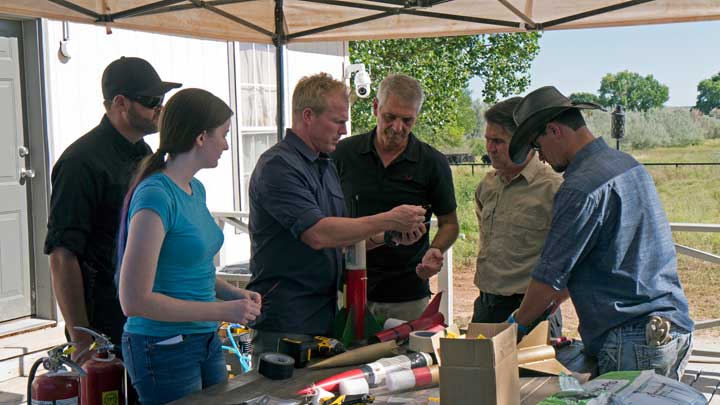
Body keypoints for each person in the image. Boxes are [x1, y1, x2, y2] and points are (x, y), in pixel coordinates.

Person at [507, 86, 694, 379]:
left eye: (537, 146)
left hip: (631, 338)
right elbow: (614, 252)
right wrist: (561, 295)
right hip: (670, 329)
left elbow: (548, 276)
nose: (541, 159)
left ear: (554, 130)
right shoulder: (628, 165)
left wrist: (515, 326)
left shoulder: (581, 186)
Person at [247, 73, 426, 353]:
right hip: (287, 323)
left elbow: (339, 239)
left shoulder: (325, 164)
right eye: (338, 121)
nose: (344, 131)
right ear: (308, 116)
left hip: (326, 316)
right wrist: (390, 218)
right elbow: (318, 234)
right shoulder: (277, 167)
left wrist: (387, 236)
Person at [117, 88, 261, 404]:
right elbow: (134, 300)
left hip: (204, 338)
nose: (226, 145)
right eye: (223, 135)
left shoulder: (196, 188)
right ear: (200, 137)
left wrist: (233, 294)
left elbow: (190, 270)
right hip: (163, 345)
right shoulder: (156, 196)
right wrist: (224, 310)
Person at [44, 56, 180, 363]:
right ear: (121, 103)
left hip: (147, 312)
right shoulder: (80, 163)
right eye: (151, 100)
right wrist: (81, 339)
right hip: (104, 321)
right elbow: (62, 256)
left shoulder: (144, 153)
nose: (160, 108)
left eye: (162, 99)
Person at [332, 74, 459, 321]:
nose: (397, 128)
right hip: (350, 288)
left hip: (408, 295)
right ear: (375, 108)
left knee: (407, 360)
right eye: (390, 117)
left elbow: (450, 223)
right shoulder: (343, 154)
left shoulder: (432, 162)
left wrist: (435, 249)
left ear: (417, 117)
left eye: (407, 120)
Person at [472, 97, 563, 337]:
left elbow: (573, 259)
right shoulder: (487, 185)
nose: (490, 148)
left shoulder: (554, 188)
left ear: (525, 141)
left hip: (533, 313)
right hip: (485, 307)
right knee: (476, 374)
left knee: (532, 376)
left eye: (498, 141)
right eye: (488, 140)